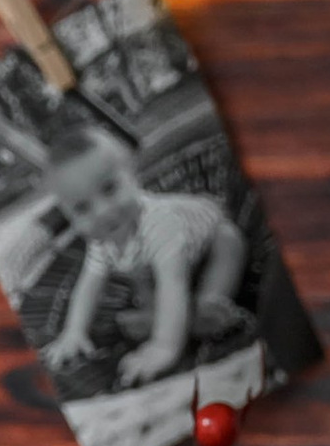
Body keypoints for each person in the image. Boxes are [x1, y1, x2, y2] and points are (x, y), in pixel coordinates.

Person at [41, 125, 247, 393]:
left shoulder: (159, 223)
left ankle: (208, 304)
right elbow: (87, 287)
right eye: (82, 208)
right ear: (69, 216)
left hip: (209, 241)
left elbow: (172, 283)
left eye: (110, 189)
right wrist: (74, 333)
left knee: (228, 240)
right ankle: (177, 317)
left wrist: (163, 347)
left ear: (133, 175)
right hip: (158, 263)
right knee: (140, 278)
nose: (103, 212)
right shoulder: (101, 239)